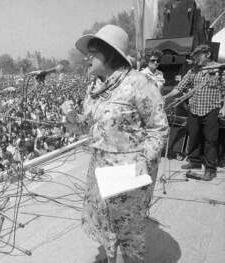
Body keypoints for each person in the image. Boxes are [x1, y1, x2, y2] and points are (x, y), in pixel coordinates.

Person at [62, 25, 168, 263]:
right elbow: (84, 127)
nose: (87, 58)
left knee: (128, 231)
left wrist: (145, 160)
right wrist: (71, 117)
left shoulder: (139, 83)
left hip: (130, 171)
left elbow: (158, 128)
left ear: (110, 54)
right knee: (107, 224)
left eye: (93, 53)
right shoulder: (95, 88)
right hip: (101, 170)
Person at [164, 44, 225, 180]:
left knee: (210, 140)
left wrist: (222, 106)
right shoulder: (193, 71)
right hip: (194, 109)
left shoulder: (219, 70)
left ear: (207, 54)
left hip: (211, 109)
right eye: (194, 56)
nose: (195, 58)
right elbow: (180, 88)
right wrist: (166, 97)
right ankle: (195, 161)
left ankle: (210, 169)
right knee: (194, 136)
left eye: (198, 55)